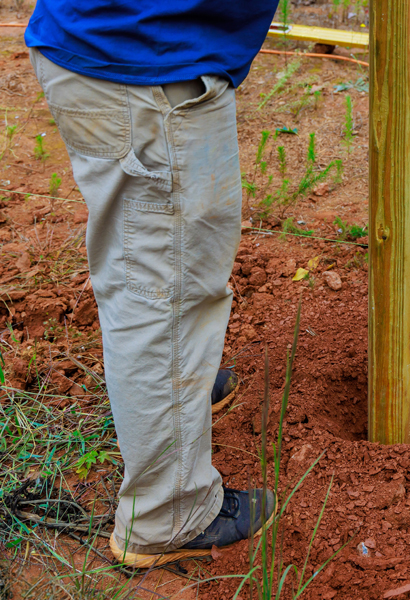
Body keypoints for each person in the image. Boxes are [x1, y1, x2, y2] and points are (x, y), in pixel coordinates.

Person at [25, 0, 280, 568]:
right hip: (144, 74)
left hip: (112, 51)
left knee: (149, 273)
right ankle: (169, 516)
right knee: (164, 299)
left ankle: (176, 395)